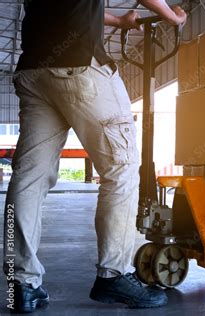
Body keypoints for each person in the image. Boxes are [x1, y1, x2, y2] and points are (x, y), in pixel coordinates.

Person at [3, 0, 186, 313]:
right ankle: (114, 273)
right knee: (123, 167)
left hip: (35, 71)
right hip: (77, 66)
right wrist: (172, 16)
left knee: (28, 178)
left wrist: (119, 22)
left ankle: (21, 284)